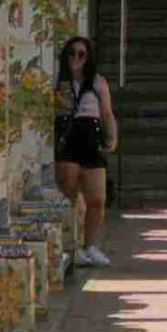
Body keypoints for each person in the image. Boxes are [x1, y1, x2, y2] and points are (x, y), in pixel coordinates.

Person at [53, 35, 118, 268]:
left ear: (88, 58)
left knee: (97, 199)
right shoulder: (58, 81)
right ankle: (72, 247)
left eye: (81, 54)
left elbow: (107, 113)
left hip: (90, 137)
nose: (76, 58)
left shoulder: (98, 83)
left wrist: (112, 137)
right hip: (68, 137)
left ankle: (89, 245)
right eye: (72, 53)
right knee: (71, 197)